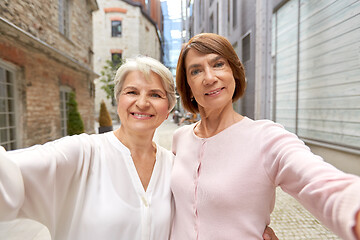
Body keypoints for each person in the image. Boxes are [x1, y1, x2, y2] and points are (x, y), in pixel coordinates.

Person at [0, 55, 278, 240]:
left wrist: (252, 231)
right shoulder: (82, 153)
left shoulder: (174, 165)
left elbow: (201, 218)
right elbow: (9, 173)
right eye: (132, 92)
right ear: (117, 100)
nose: (142, 103)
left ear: (168, 108)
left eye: (155, 95)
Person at [171, 33, 360, 240]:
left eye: (218, 64)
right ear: (187, 86)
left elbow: (319, 182)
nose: (209, 78)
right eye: (196, 71)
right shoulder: (179, 139)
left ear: (234, 72)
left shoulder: (265, 138)